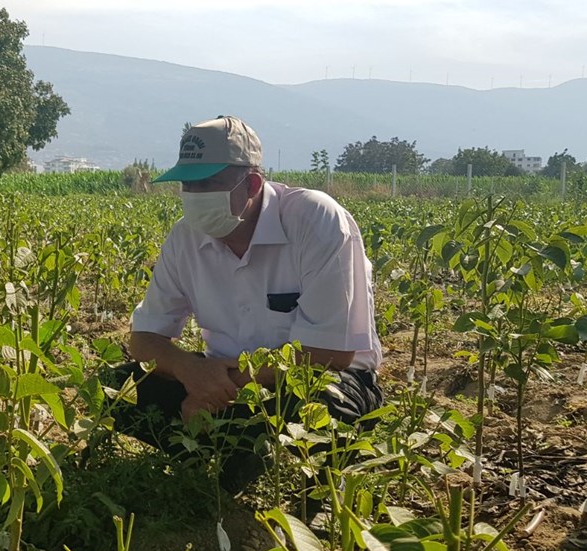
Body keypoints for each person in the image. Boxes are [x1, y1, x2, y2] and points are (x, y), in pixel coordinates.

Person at [107, 115, 383, 493]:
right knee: (116, 387)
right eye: (187, 183)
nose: (194, 194)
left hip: (311, 379)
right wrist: (189, 370)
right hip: (218, 376)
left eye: (207, 183)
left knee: (325, 409)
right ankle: (220, 457)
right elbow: (145, 340)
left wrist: (216, 386)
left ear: (251, 183)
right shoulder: (185, 238)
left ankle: (284, 480)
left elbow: (330, 352)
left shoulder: (315, 219)